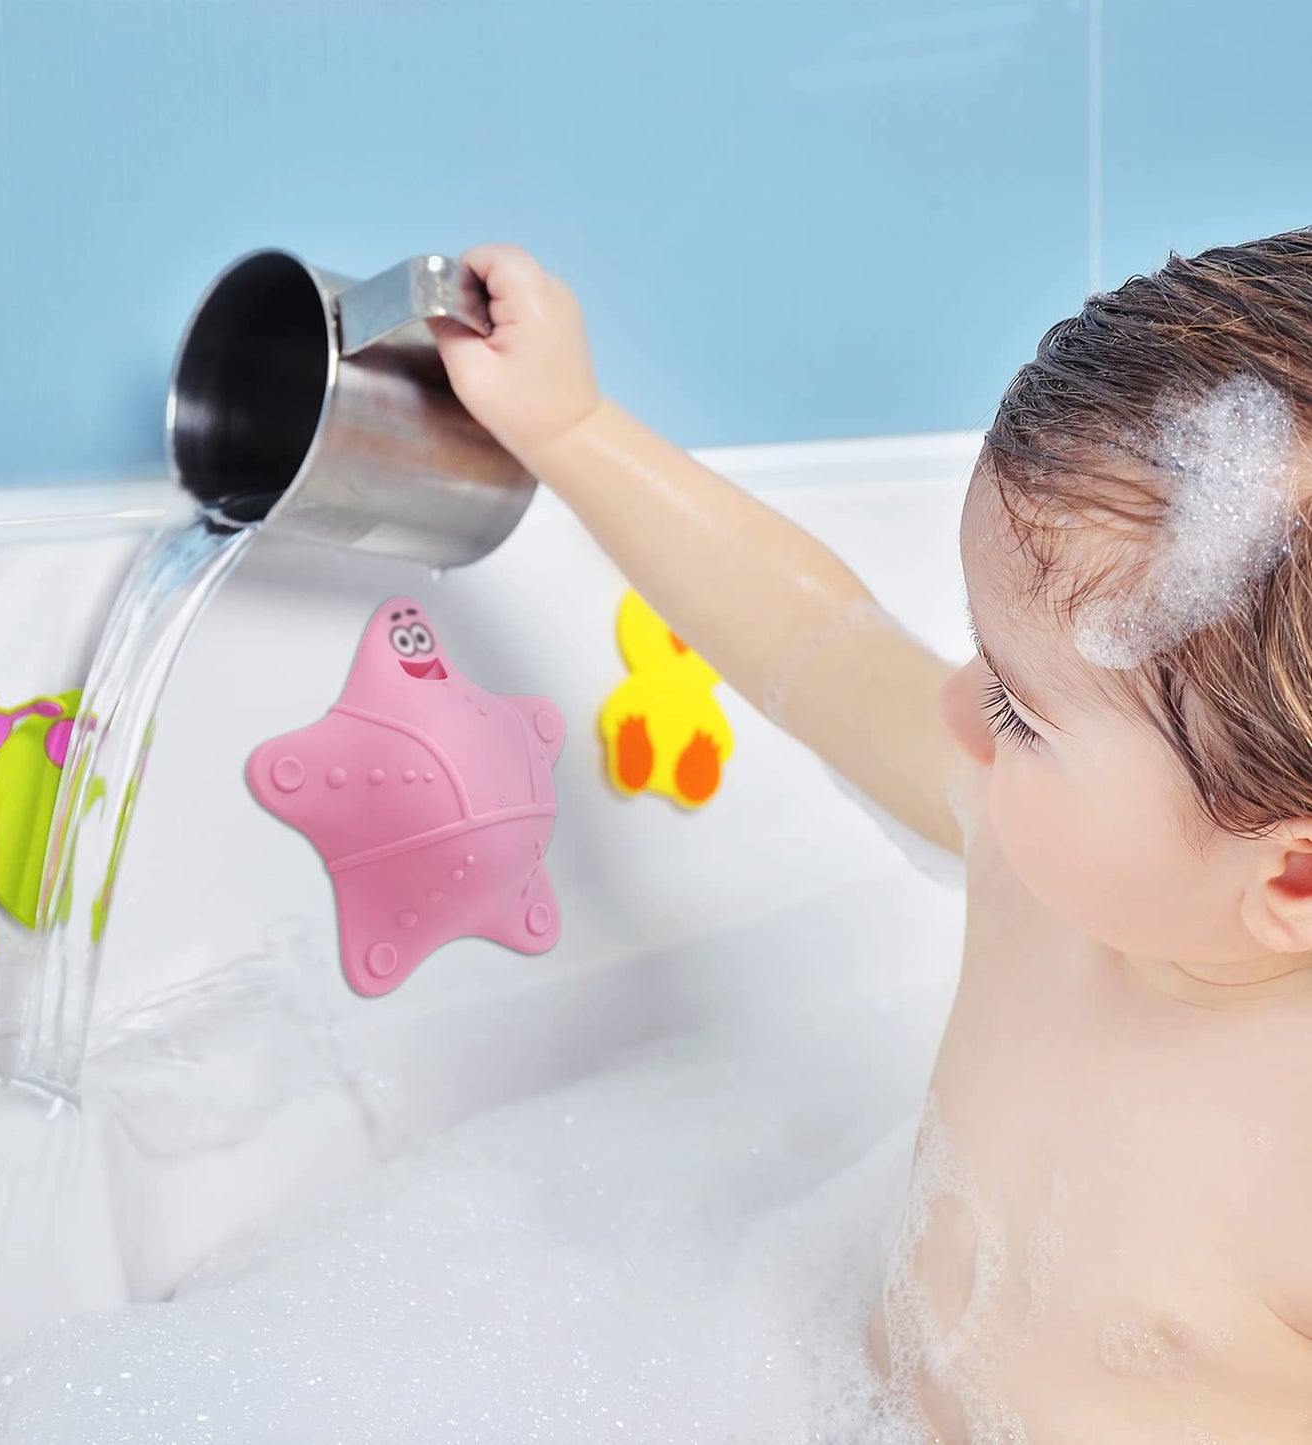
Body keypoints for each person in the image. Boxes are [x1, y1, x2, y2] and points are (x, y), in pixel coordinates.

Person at [431, 234, 1312, 1442]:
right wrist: (570, 426)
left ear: (1292, 873)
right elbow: (819, 645)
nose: (958, 708)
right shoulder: (1051, 867)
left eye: (1017, 706)